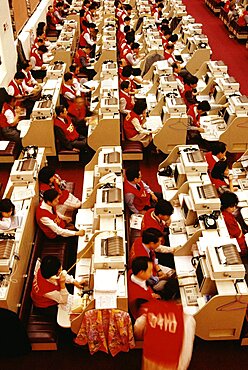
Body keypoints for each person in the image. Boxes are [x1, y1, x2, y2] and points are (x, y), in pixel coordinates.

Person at [128, 228, 177, 294]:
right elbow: (150, 280)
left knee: (173, 273)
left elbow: (153, 256)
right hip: (150, 279)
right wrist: (163, 278)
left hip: (152, 269)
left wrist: (158, 270)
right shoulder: (142, 258)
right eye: (159, 241)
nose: (160, 243)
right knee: (172, 283)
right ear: (151, 243)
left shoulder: (141, 241)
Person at [128, 256, 160, 320]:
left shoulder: (131, 272)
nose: (152, 273)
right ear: (141, 273)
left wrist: (151, 295)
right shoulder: (138, 298)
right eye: (150, 271)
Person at [220, 192, 247, 256]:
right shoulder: (228, 219)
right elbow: (238, 235)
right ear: (225, 206)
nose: (234, 208)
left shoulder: (225, 213)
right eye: (232, 206)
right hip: (241, 247)